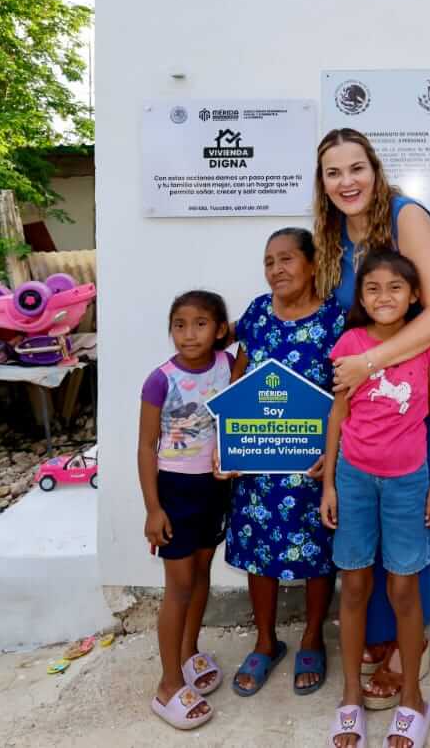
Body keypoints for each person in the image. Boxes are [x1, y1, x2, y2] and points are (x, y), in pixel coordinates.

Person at [312, 127, 430, 708]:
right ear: (322, 182)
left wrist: (368, 363)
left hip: (429, 374)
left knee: (416, 508)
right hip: (369, 381)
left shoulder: (407, 217)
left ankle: (414, 642)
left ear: (375, 172)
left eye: (357, 169)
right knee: (370, 505)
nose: (346, 182)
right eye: (334, 173)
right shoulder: (332, 235)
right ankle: (381, 633)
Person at [321, 249, 430, 748]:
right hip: (353, 479)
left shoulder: (427, 344)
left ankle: (413, 697)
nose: (384, 296)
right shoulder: (350, 343)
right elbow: (337, 415)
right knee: (352, 588)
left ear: (414, 295)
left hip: (407, 482)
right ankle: (351, 695)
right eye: (372, 288)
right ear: (361, 297)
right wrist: (329, 481)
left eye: (396, 287)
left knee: (402, 590)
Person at [220, 228, 346, 696]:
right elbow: (241, 370)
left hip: (314, 461)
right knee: (258, 549)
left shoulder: (335, 317)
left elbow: (344, 390)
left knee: (316, 549)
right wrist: (227, 438)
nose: (277, 269)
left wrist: (332, 452)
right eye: (270, 261)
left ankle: (312, 637)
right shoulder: (256, 312)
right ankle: (266, 640)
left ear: (313, 265)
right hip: (258, 458)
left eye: (287, 259)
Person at [137, 290, 236, 730]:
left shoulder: (229, 366)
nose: (188, 334)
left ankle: (188, 652)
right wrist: (153, 508)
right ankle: (168, 685)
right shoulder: (160, 380)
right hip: (174, 489)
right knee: (177, 586)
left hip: (213, 488)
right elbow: (145, 446)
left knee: (201, 574)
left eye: (200, 324)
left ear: (218, 330)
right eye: (180, 324)